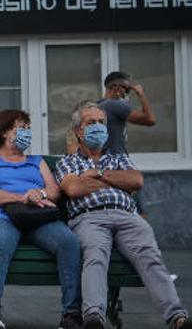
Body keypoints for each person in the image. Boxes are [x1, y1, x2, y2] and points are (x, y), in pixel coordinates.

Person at [56, 102, 190, 329]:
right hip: (89, 218)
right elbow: (74, 189)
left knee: (150, 257)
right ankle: (94, 317)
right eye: (91, 123)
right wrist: (115, 180)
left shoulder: (117, 157)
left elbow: (135, 181)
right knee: (95, 256)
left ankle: (176, 317)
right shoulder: (67, 162)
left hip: (127, 216)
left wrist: (96, 174)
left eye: (101, 123)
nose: (98, 127)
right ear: (79, 130)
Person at [0, 109, 83, 329]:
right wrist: (22, 197)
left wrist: (39, 194)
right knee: (1, 240)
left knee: (69, 242)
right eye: (21, 128)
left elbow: (54, 190)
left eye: (28, 129)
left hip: (36, 218)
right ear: (4, 133)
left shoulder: (36, 161)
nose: (27, 133)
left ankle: (71, 315)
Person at [97, 71, 155, 155]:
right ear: (115, 87)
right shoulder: (114, 105)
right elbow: (150, 120)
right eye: (127, 89)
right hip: (116, 159)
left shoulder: (98, 105)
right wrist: (140, 94)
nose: (127, 94)